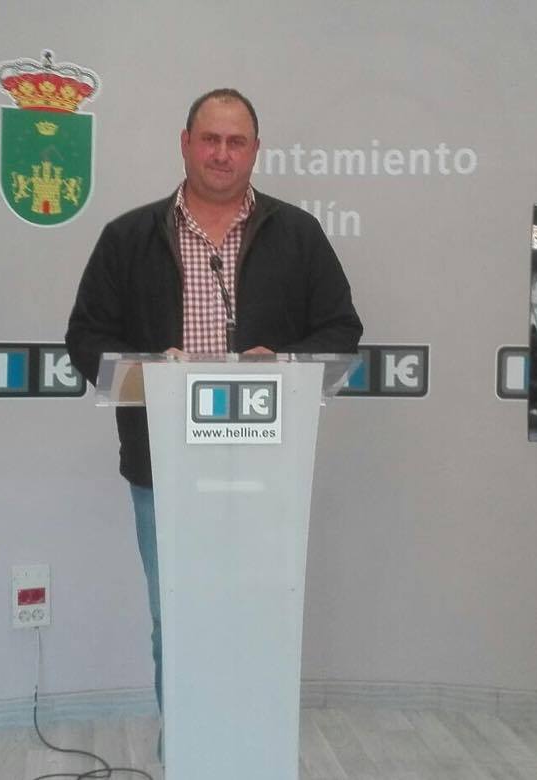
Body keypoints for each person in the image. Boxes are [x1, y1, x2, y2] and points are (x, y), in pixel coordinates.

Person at [64, 88, 362, 710]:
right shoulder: (129, 237)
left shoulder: (298, 234)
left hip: (266, 467)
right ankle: (183, 748)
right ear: (185, 144)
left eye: (236, 142)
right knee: (174, 621)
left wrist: (282, 363)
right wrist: (153, 372)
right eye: (210, 140)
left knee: (260, 617)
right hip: (163, 470)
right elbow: (87, 338)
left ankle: (250, 746)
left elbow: (341, 330)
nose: (222, 154)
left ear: (255, 151)